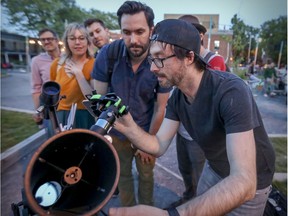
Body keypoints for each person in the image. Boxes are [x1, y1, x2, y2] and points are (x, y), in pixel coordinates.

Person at [109, 19, 275, 216]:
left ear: (189, 57)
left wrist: (171, 214)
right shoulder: (177, 97)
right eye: (151, 59)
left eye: (160, 58)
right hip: (214, 169)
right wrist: (129, 127)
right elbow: (159, 145)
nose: (153, 68)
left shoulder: (231, 91)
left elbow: (245, 181)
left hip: (253, 180)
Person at [92, 1, 171, 207]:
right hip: (117, 133)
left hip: (146, 129)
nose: (133, 39)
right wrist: (105, 134)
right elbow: (99, 101)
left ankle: (146, 210)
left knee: (146, 177)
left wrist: (149, 143)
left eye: (139, 31)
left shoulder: (159, 59)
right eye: (126, 32)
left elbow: (160, 107)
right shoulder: (107, 54)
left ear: (151, 30)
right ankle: (128, 211)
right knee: (122, 176)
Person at [165, 14, 228, 208]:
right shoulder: (176, 56)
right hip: (182, 129)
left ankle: (199, 207)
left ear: (200, 35)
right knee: (185, 169)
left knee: (201, 175)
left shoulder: (214, 59)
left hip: (200, 133)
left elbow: (211, 97)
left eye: (191, 32)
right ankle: (188, 197)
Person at [50, 22, 95, 132]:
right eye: (72, 38)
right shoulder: (57, 64)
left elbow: (93, 98)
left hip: (84, 117)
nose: (77, 42)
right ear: (66, 41)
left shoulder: (94, 64)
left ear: (87, 41)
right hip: (61, 117)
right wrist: (55, 124)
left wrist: (79, 74)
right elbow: (52, 99)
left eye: (81, 38)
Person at [30, 28, 61, 137]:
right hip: (49, 104)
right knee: (53, 136)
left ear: (57, 40)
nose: (46, 42)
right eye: (43, 40)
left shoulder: (68, 57)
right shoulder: (36, 61)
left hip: (68, 103)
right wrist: (38, 110)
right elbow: (36, 87)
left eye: (49, 39)